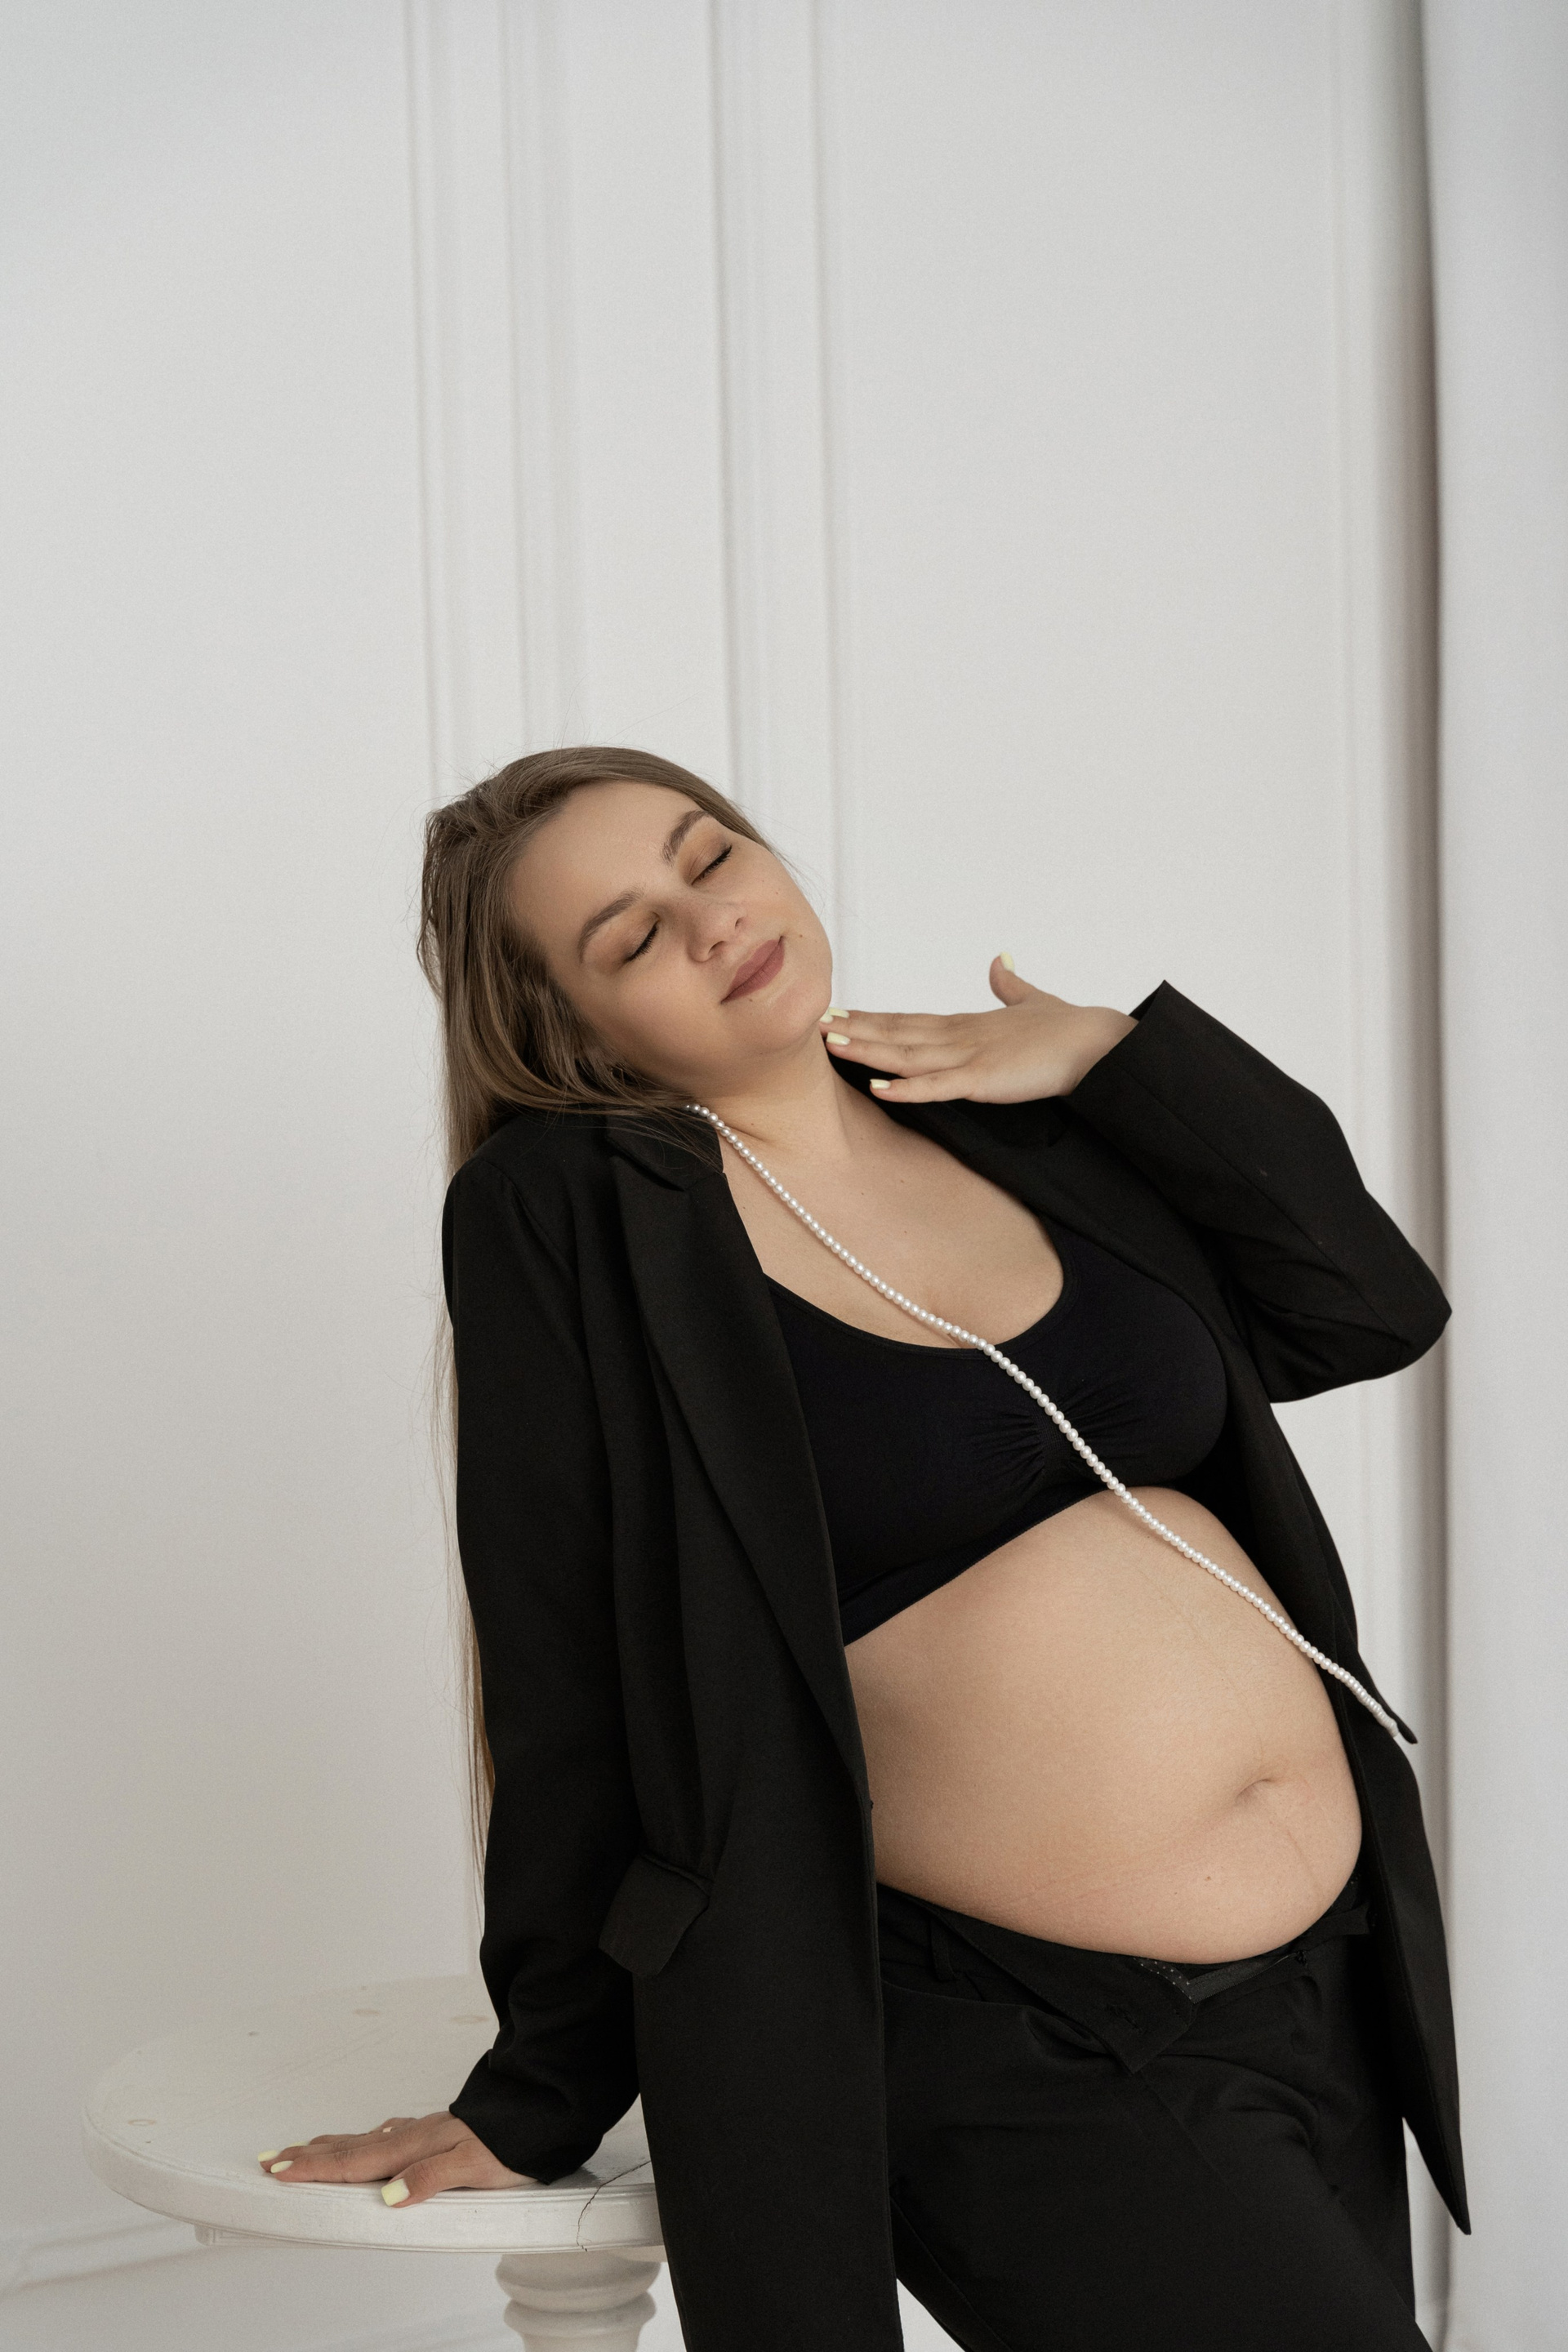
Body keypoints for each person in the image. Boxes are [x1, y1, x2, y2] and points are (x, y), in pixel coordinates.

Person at [256, 747, 1467, 2350]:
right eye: (631, 936)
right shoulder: (577, 1216)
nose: (711, 918)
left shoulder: (999, 1112)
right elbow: (562, 1670)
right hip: (1020, 2041)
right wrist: (541, 2083)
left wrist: (1118, 1058)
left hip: (1327, 1978)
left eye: (710, 855)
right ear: (571, 1033)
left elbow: (1365, 1307)